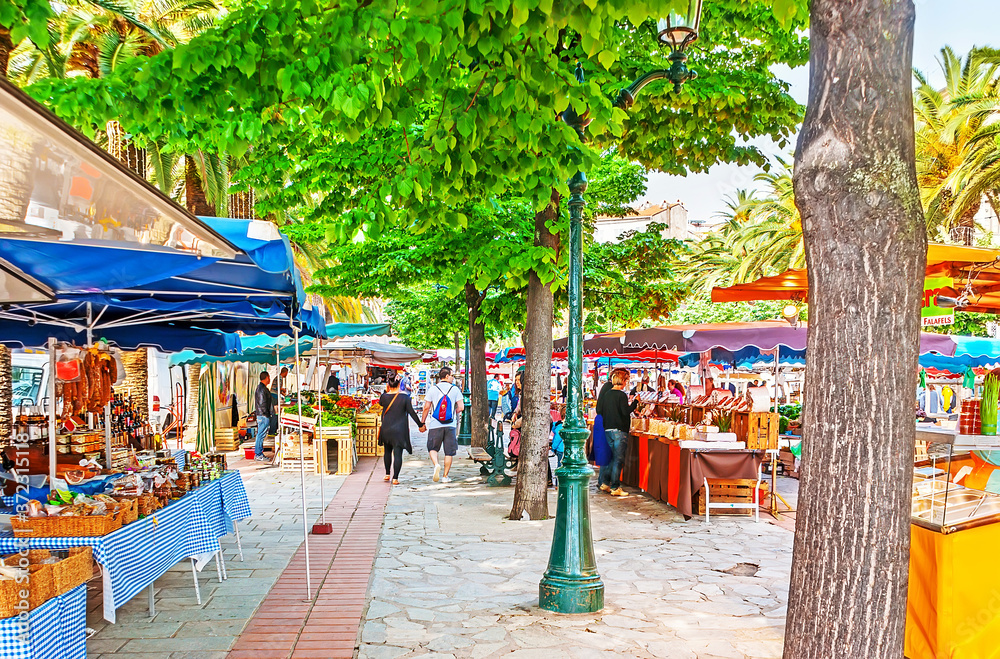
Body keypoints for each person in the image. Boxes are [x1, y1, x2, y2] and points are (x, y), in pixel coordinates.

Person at [596, 368, 638, 497]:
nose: (627, 383)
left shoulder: (608, 394)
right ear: (622, 380)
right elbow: (625, 412)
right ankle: (615, 487)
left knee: (610, 459)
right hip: (619, 431)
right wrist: (635, 402)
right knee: (617, 460)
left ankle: (605, 483)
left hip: (608, 430)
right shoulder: (621, 395)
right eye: (626, 380)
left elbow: (602, 410)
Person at [378, 374, 425, 484]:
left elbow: (381, 404)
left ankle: (387, 474)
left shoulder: (384, 397)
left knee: (387, 452)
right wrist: (420, 424)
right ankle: (395, 478)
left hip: (386, 428)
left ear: (388, 384)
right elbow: (412, 413)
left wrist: (387, 390)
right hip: (399, 430)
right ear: (399, 384)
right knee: (398, 454)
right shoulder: (405, 398)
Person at [421, 366, 464, 483]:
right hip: (450, 425)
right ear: (446, 376)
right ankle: (445, 476)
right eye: (452, 376)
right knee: (449, 451)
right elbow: (461, 407)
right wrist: (453, 413)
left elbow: (426, 408)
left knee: (433, 448)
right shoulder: (455, 390)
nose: (453, 378)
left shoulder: (432, 389)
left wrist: (422, 422)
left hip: (435, 424)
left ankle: (436, 465)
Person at [253, 371, 273, 462]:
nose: (269, 379)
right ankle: (258, 454)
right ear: (266, 378)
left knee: (261, 435)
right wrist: (266, 413)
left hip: (262, 415)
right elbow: (262, 403)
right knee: (260, 435)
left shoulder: (262, 388)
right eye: (269, 377)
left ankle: (259, 453)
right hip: (263, 415)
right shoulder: (261, 389)